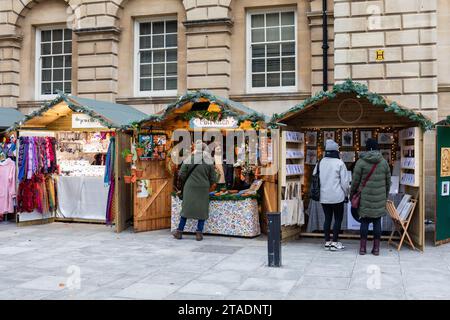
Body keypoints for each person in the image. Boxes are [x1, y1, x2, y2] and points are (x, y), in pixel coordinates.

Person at [351, 138, 391, 256]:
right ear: (377, 148)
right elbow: (388, 182)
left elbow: (355, 182)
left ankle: (362, 249)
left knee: (364, 222)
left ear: (367, 148)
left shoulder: (361, 162)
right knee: (377, 222)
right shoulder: (383, 162)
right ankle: (376, 249)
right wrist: (385, 195)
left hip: (364, 198)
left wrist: (352, 194)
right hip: (379, 198)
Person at [173, 140, 217, 241]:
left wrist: (188, 181)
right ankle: (199, 234)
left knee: (186, 209)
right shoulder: (209, 161)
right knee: (202, 210)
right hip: (203, 188)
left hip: (190, 187)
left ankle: (179, 232)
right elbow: (213, 178)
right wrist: (207, 184)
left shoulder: (189, 158)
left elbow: (181, 174)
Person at [313, 139, 350, 251]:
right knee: (338, 219)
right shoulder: (339, 163)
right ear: (336, 151)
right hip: (337, 196)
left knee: (327, 218)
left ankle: (327, 242)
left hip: (324, 196)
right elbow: (345, 183)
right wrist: (347, 193)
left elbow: (314, 175)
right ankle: (335, 242)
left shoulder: (320, 162)